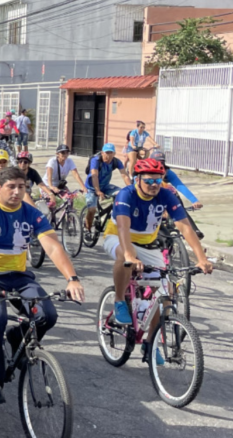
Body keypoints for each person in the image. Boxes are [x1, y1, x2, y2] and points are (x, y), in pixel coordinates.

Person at [0, 166, 84, 404]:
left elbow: (52, 246)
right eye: (11, 187)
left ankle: (16, 337)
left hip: (18, 275)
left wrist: (72, 278)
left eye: (22, 187)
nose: (17, 192)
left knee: (46, 315)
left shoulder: (32, 214)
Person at [105, 159, 212, 363]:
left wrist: (202, 258)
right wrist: (129, 255)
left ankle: (150, 343)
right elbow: (122, 228)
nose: (154, 185)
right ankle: (119, 300)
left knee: (164, 294)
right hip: (119, 238)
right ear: (137, 179)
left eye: (158, 180)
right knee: (123, 258)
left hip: (148, 244)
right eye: (149, 181)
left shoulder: (166, 194)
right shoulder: (126, 194)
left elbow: (184, 225)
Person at [150, 150, 204, 238]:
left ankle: (194, 233)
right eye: (156, 164)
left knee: (181, 210)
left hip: (166, 197)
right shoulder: (144, 174)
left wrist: (194, 201)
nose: (160, 168)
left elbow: (180, 186)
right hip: (150, 198)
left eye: (162, 164)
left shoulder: (168, 173)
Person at [85, 143, 131, 231]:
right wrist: (97, 191)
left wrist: (132, 189)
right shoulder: (96, 160)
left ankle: (114, 215)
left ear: (114, 154)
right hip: (91, 187)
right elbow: (94, 175)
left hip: (105, 186)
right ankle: (88, 230)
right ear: (102, 153)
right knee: (92, 209)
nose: (108, 155)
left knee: (122, 193)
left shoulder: (116, 162)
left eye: (111, 153)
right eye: (107, 153)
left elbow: (124, 175)